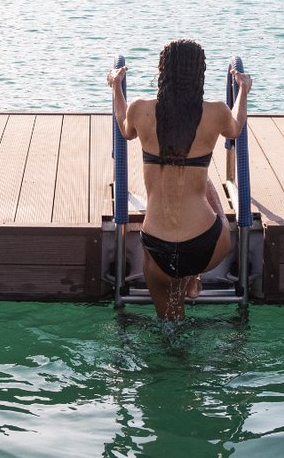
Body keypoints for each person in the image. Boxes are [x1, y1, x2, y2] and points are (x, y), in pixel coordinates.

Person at [108, 39, 252, 321]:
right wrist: (243, 90)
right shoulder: (216, 112)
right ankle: (192, 278)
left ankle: (186, 282)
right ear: (200, 73)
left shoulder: (140, 109)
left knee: (171, 322)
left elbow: (124, 127)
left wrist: (115, 86)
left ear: (162, 71)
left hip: (158, 247)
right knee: (207, 184)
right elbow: (236, 127)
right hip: (207, 246)